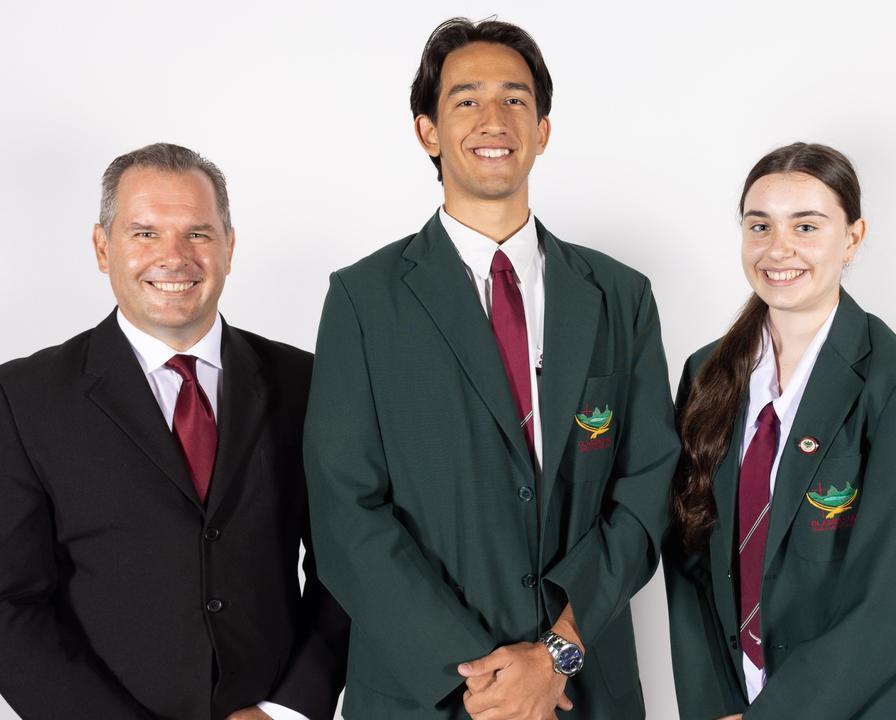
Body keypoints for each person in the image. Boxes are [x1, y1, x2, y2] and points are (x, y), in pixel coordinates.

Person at [303, 17, 679, 720]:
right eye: (465, 99)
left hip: (583, 691)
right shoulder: (362, 299)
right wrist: (487, 678)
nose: (492, 118)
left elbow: (646, 487)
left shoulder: (619, 296)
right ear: (427, 131)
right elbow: (345, 512)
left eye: (515, 98)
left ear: (542, 129)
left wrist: (556, 653)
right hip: (430, 695)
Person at [0, 143, 349, 720]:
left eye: (198, 234)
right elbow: (10, 602)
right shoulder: (25, 398)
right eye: (144, 234)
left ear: (229, 248)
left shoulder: (306, 383)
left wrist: (287, 709)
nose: (174, 257)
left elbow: (344, 570)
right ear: (101, 246)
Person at [663, 142, 896, 719]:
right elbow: (688, 560)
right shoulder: (704, 372)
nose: (779, 249)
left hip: (862, 706)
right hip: (730, 699)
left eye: (806, 226)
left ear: (852, 237)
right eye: (760, 226)